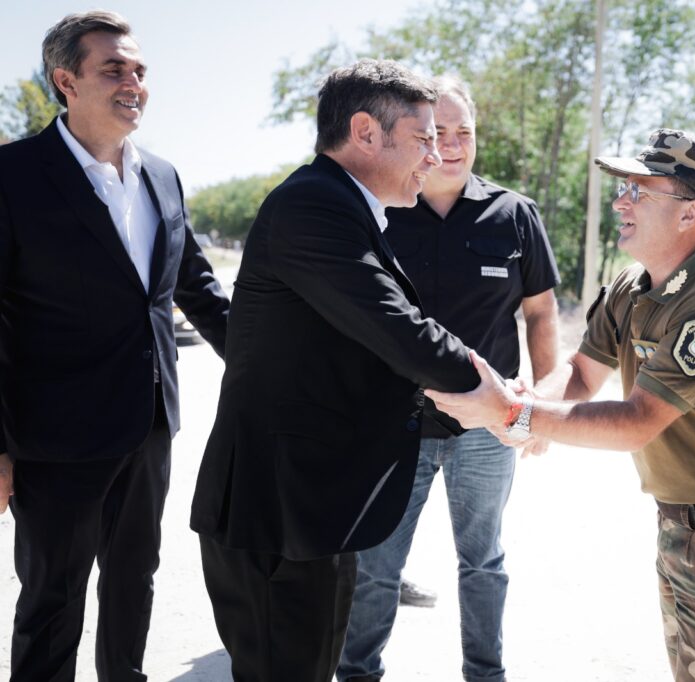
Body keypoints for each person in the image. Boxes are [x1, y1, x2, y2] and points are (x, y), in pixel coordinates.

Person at [428, 129, 695, 682]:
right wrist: (528, 401)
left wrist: (512, 414)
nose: (621, 202)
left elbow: (635, 423)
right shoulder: (634, 283)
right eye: (624, 187)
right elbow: (581, 372)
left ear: (689, 213)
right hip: (684, 519)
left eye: (639, 192)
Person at [189, 59, 481, 682]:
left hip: (313, 509)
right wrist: (500, 400)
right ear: (366, 132)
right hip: (277, 511)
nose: (435, 155)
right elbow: (395, 328)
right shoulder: (314, 206)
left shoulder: (344, 207)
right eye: (424, 137)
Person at [0, 10, 230, 681]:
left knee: (135, 580)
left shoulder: (162, 176)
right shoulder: (12, 176)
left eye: (139, 70)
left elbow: (197, 288)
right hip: (53, 440)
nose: (133, 81)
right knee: (53, 599)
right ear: (65, 80)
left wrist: (269, 362)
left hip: (150, 424)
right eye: (114, 69)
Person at [338, 76, 560, 682]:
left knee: (483, 561)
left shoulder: (514, 215)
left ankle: (485, 674)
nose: (454, 144)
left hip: (489, 428)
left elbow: (541, 312)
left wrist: (541, 404)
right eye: (438, 132)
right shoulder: (378, 212)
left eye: (466, 131)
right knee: (377, 563)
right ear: (418, 138)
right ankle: (357, 672)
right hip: (392, 425)